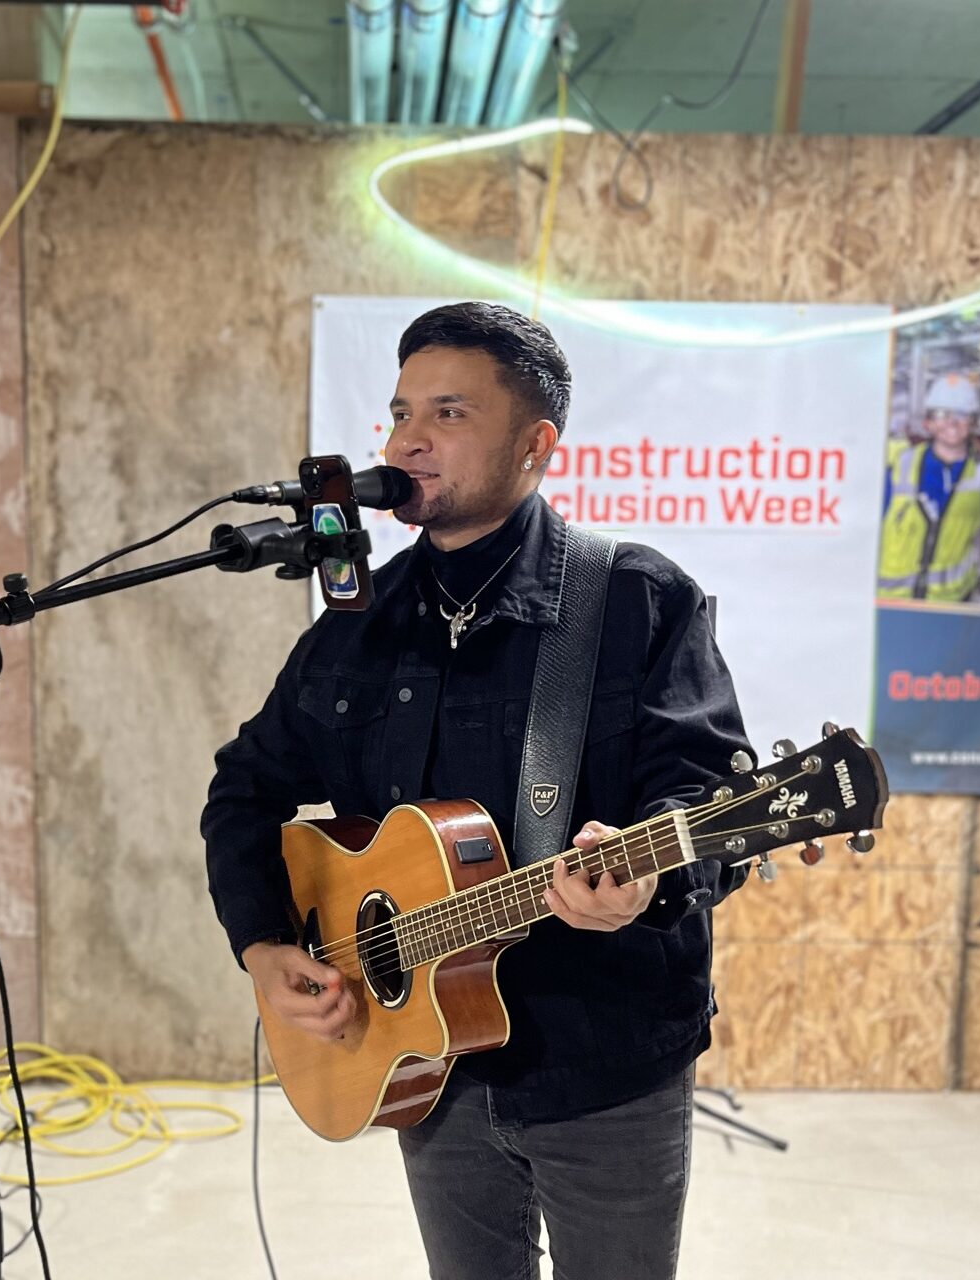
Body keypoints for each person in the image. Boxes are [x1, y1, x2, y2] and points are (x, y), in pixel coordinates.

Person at [202, 301, 752, 1279]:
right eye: (400, 412)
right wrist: (263, 946)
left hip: (604, 1064)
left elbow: (707, 800)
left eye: (448, 413)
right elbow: (243, 788)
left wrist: (645, 882)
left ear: (535, 445)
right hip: (430, 1063)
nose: (406, 440)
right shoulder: (359, 629)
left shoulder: (635, 599)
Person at [878, 372, 980, 601]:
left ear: (973, 422)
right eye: (941, 414)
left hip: (951, 601)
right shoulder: (899, 465)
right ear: (928, 421)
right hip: (891, 599)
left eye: (962, 414)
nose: (952, 423)